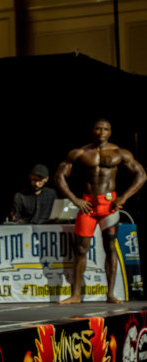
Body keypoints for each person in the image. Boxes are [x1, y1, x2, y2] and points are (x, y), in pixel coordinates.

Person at [55, 119, 146, 304]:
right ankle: (76, 295)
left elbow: (141, 175)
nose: (101, 132)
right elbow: (59, 177)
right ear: (92, 130)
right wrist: (75, 200)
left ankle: (110, 294)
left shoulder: (119, 152)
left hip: (109, 206)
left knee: (110, 247)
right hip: (87, 205)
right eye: (98, 128)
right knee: (81, 249)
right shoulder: (80, 152)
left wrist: (124, 197)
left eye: (105, 129)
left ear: (110, 132)